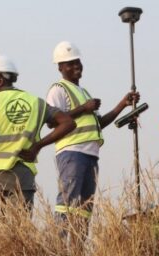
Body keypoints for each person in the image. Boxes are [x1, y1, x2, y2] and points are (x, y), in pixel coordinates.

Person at [0, 55, 75, 213]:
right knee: (19, 234)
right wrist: (37, 146)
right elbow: (68, 122)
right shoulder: (36, 102)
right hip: (23, 177)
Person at [47, 41, 140, 234]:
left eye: (77, 62)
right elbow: (51, 122)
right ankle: (60, 249)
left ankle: (78, 249)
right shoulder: (58, 89)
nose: (76, 66)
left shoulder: (83, 93)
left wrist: (122, 104)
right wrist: (84, 108)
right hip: (72, 151)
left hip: (90, 154)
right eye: (70, 63)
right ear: (60, 67)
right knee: (68, 202)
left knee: (84, 207)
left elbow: (99, 124)